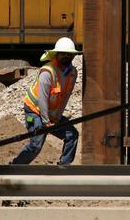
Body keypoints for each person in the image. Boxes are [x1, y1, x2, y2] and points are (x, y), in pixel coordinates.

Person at [11, 37, 80, 165]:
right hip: (35, 110)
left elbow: (65, 97)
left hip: (50, 113)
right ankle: (16, 166)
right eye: (63, 54)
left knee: (72, 134)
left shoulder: (72, 73)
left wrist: (57, 117)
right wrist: (46, 121)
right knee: (36, 145)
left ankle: (64, 166)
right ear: (56, 55)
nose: (66, 56)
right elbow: (42, 99)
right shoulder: (47, 72)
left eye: (69, 54)